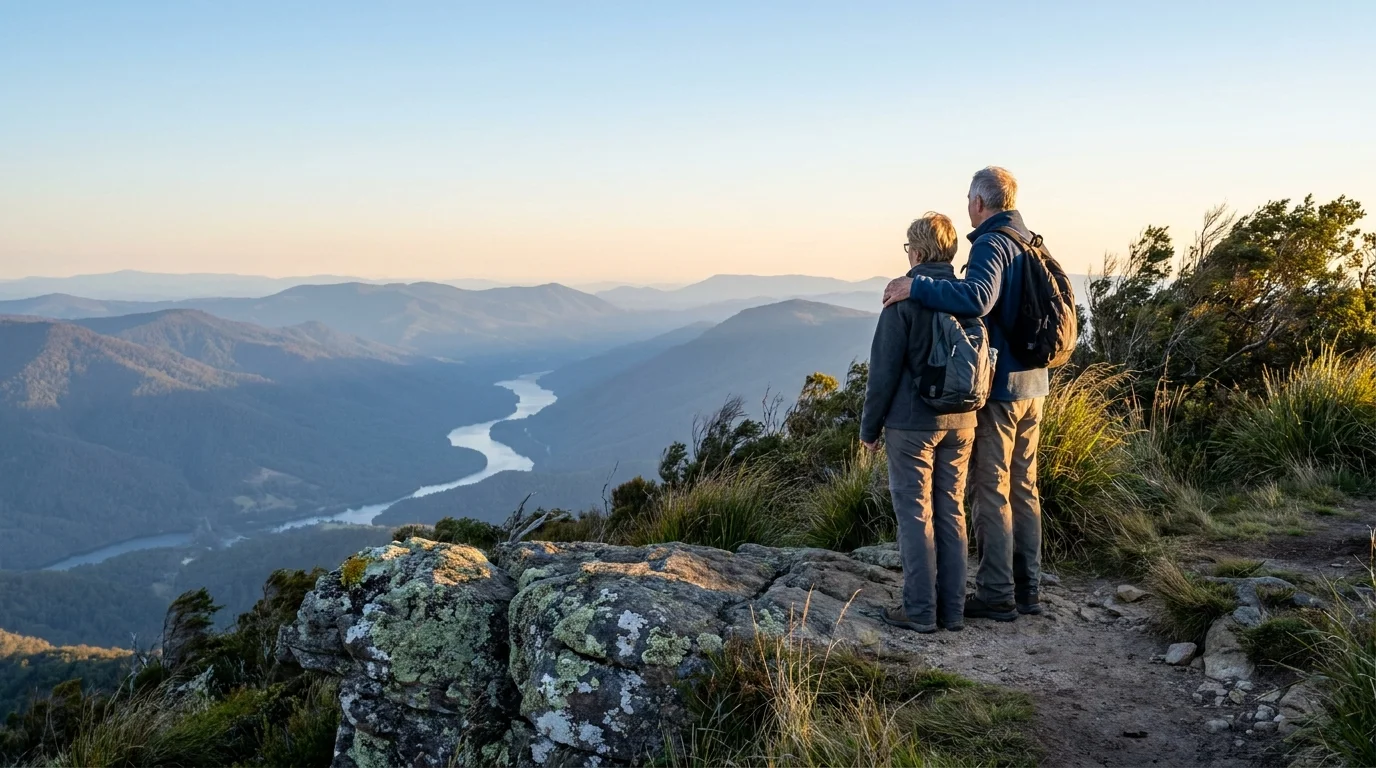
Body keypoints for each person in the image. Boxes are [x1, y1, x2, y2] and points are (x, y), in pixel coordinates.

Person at [881, 166, 1048, 622]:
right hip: (1036, 383)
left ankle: (997, 593)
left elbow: (977, 298)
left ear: (979, 201)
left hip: (1002, 387)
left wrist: (916, 285)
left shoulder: (992, 243)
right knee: (1024, 486)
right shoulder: (1031, 240)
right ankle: (1026, 589)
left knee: (991, 489)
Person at [860, 212, 977, 634]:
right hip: (964, 420)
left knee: (915, 513)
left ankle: (919, 610)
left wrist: (869, 430)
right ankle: (953, 611)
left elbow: (883, 372)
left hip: (912, 424)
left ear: (920, 251)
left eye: (909, 247)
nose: (907, 254)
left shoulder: (902, 299)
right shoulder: (968, 295)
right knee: (951, 510)